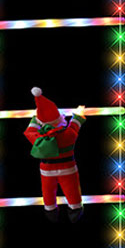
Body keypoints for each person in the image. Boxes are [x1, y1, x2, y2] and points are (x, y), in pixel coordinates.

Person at [24, 87, 86, 223]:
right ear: (60, 119)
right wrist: (78, 114)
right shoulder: (68, 135)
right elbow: (75, 124)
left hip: (46, 171)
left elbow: (29, 131)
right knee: (72, 190)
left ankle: (50, 210)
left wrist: (35, 118)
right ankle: (75, 210)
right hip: (68, 169)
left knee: (47, 191)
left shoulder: (37, 137)